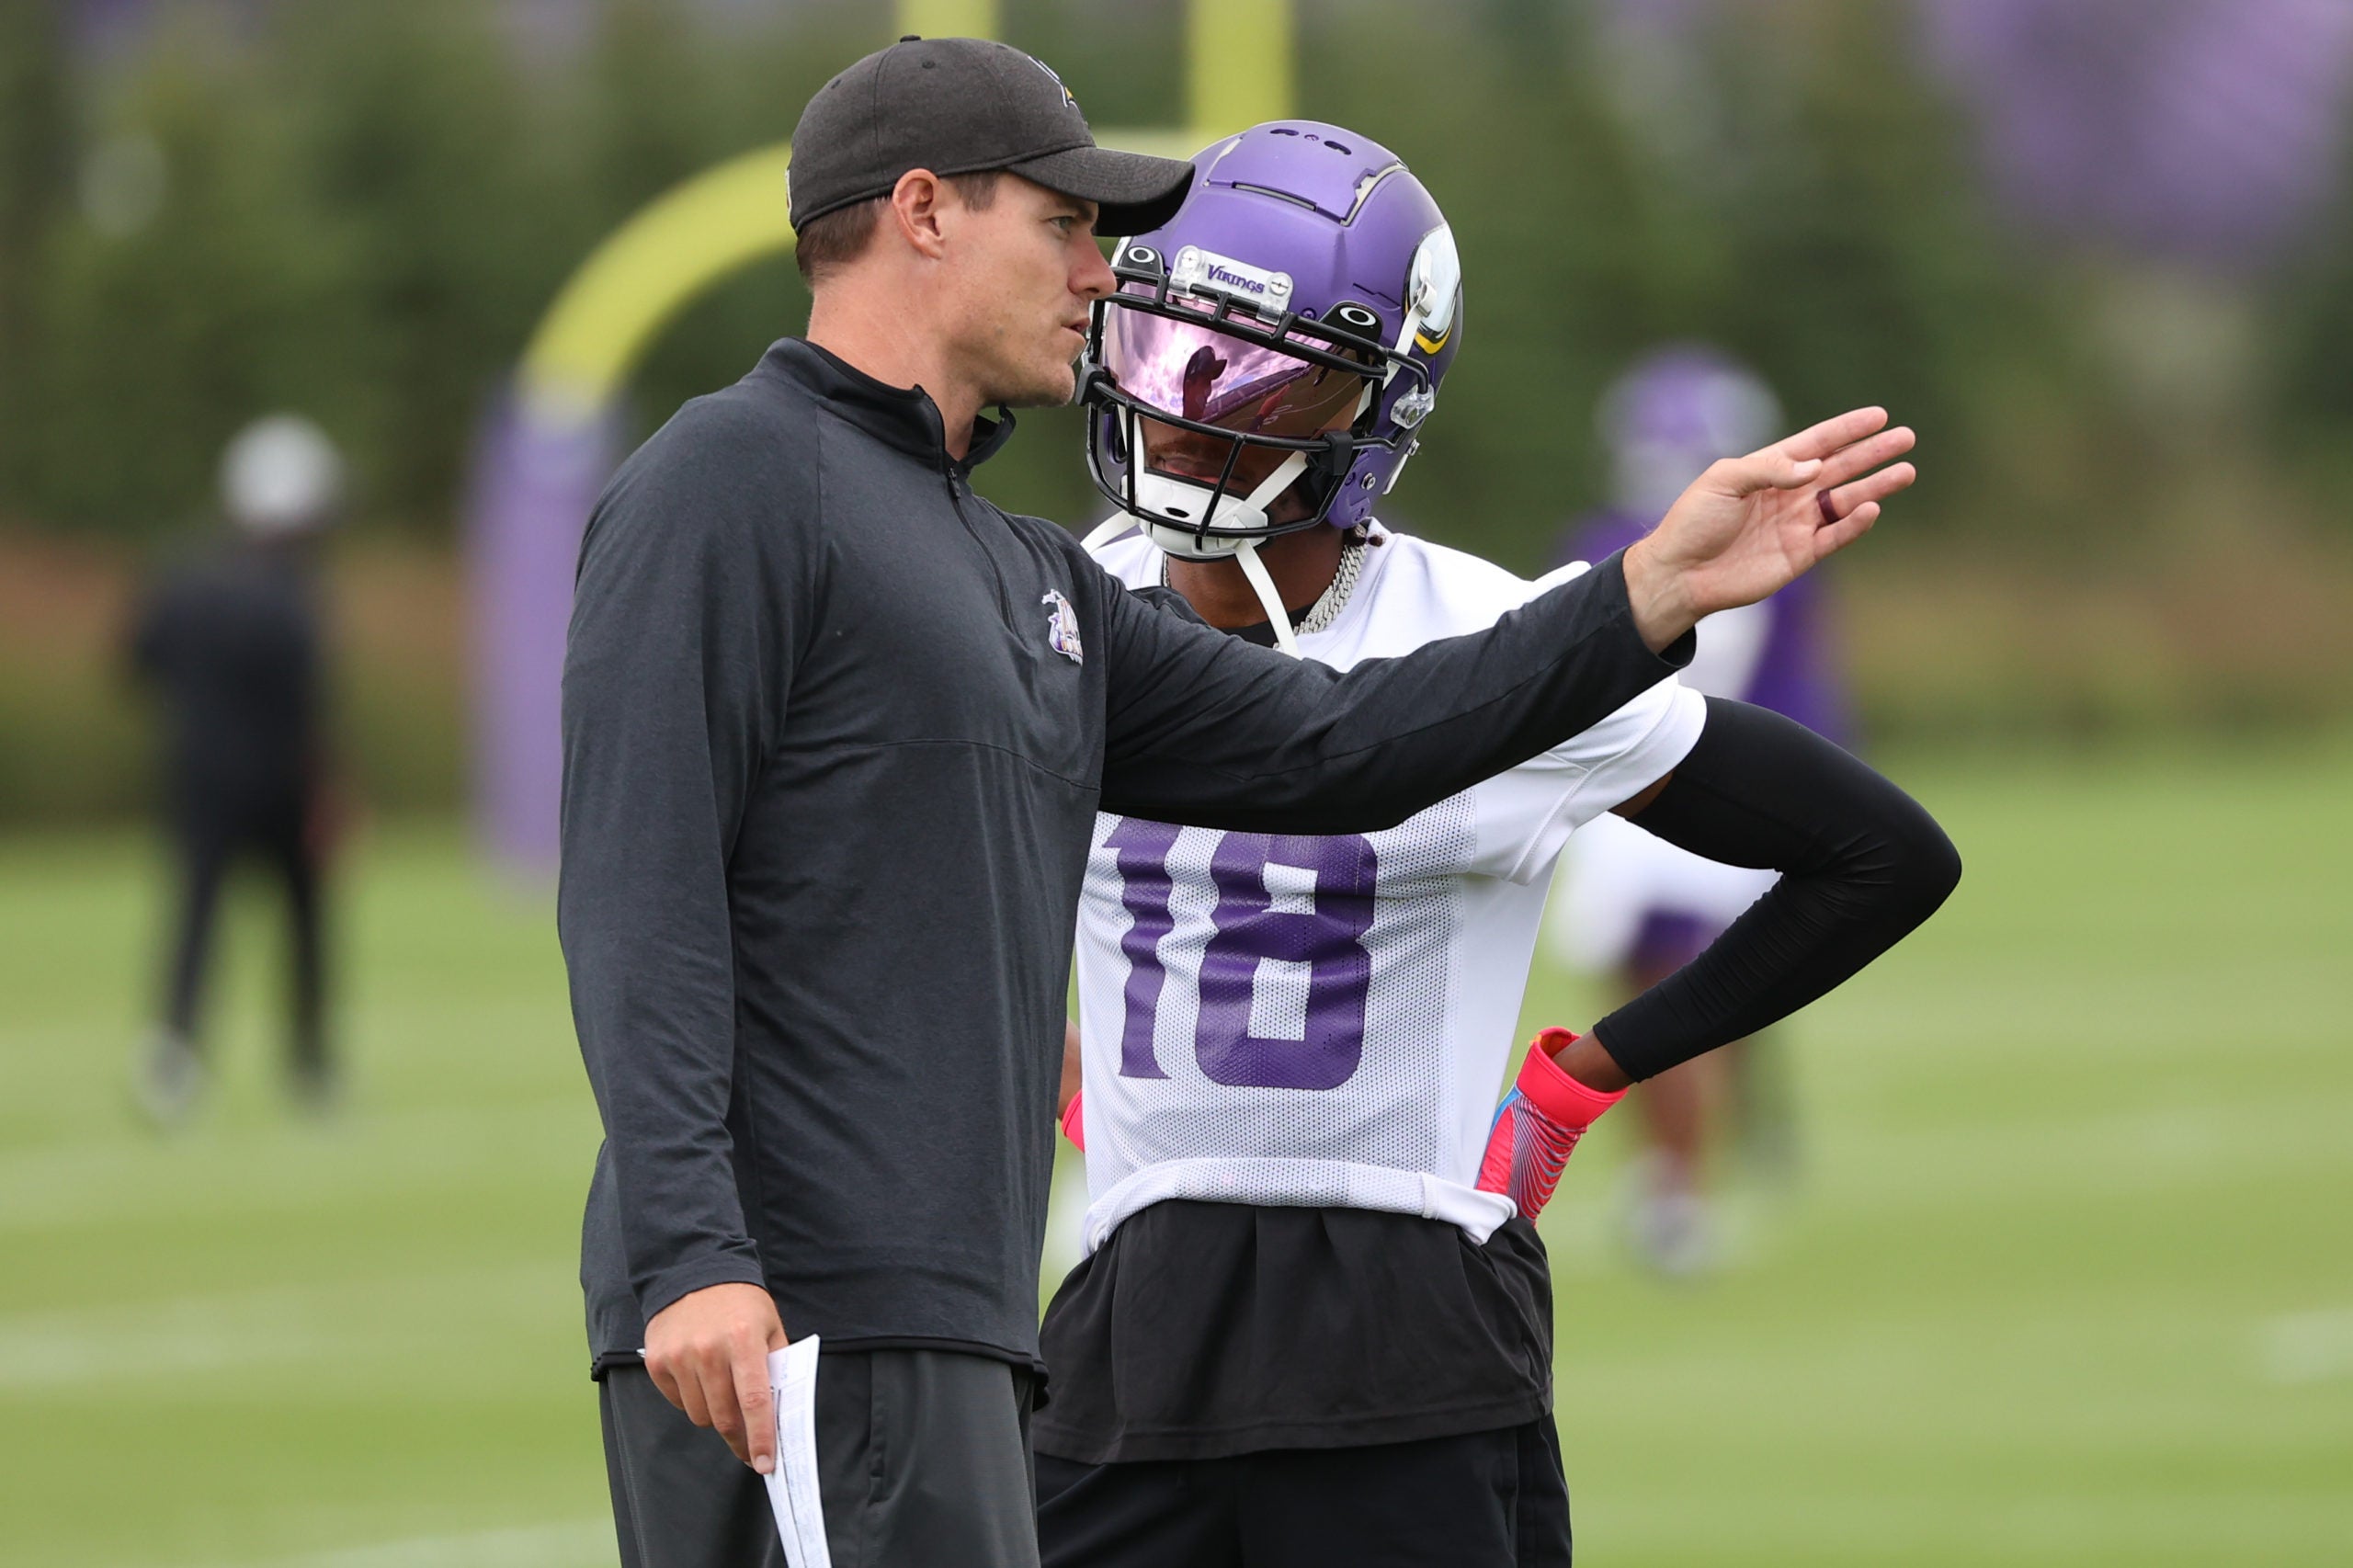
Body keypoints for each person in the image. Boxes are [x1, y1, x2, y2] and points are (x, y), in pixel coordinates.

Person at [561, 40, 1904, 1568]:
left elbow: (1340, 746)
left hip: (975, 1315)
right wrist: (687, 1254)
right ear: (924, 212)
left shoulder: (1021, 570)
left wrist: (1641, 595)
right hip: (805, 1313)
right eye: (1061, 225)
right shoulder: (730, 477)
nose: (1096, 271)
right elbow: (637, 887)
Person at [1034, 122, 1956, 1567]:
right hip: (1128, 1323)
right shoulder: (1054, 605)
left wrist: (1582, 1083)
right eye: (1165, 355)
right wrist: (1057, 1062)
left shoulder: (1489, 637)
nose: (1189, 414)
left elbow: (1882, 854)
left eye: (1266, 374)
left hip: (1407, 1322)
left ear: (1376, 404)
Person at [1548, 346, 1850, 1274]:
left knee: (1656, 1001)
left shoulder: (1598, 538)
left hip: (1630, 798)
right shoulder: (1771, 542)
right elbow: (1803, 696)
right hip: (1718, 787)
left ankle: (1676, 1186)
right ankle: (1680, 1172)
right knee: (1683, 998)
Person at [127, 414, 347, 1125]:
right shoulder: (293, 592)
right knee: (304, 928)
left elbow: (137, 662)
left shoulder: (184, 575)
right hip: (281, 786)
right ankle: (311, 1066)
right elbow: (310, 697)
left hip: (200, 781)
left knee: (195, 920)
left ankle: (174, 1058)